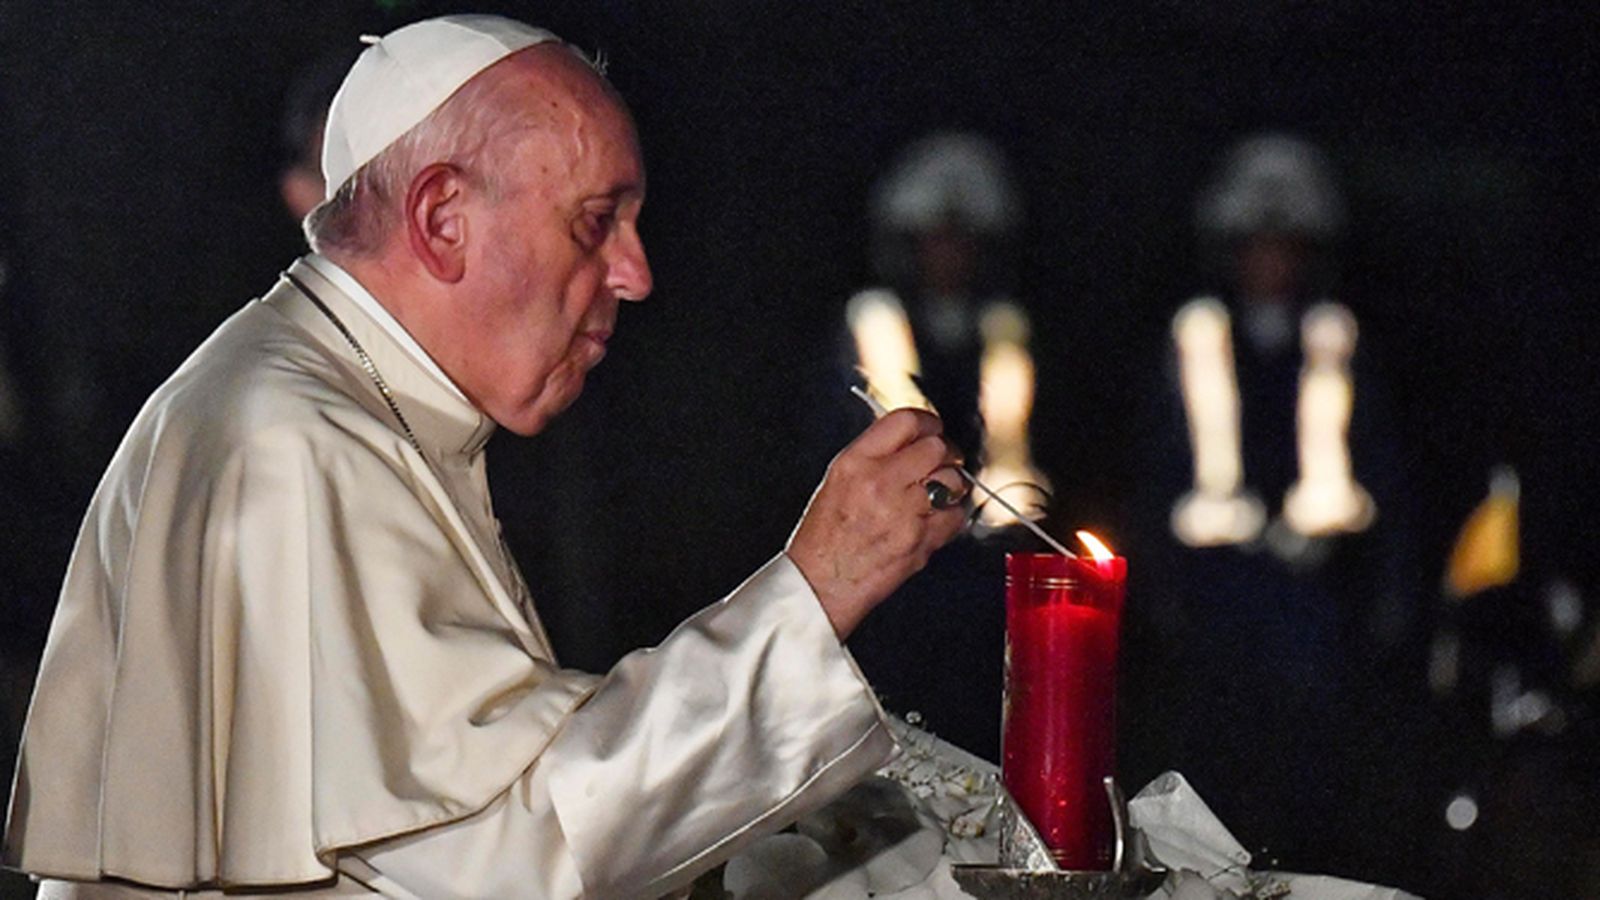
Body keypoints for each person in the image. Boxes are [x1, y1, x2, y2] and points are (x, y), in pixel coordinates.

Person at [3, 15, 968, 898]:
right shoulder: (291, 440)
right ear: (441, 220)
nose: (636, 275)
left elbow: (472, 768)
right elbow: (508, 857)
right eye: (596, 223)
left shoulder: (349, 403)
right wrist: (817, 585)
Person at [1123, 133, 1424, 880]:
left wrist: (1391, 592)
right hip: (1215, 601)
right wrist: (1156, 593)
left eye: (1287, 245)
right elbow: (1155, 469)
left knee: (1312, 789)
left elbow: (1385, 472)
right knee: (1211, 786)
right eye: (1255, 245)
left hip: (1315, 602)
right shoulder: (1191, 340)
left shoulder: (1339, 344)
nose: (1271, 261)